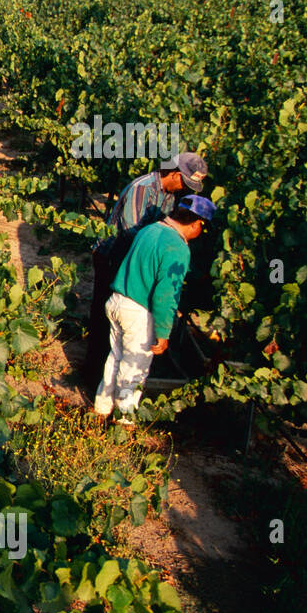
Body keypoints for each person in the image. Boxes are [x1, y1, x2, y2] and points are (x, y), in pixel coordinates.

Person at [82, 152, 209, 394]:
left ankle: (104, 383)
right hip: (114, 254)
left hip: (135, 256)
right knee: (104, 315)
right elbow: (133, 233)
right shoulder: (142, 189)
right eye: (185, 182)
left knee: (119, 321)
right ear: (174, 173)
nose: (185, 188)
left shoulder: (170, 195)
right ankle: (91, 376)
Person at [93, 195, 216, 424]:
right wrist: (163, 332)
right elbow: (164, 295)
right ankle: (123, 423)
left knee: (116, 358)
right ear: (196, 223)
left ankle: (101, 411)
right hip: (138, 312)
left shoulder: (150, 229)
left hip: (118, 301)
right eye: (204, 228)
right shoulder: (177, 247)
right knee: (134, 369)